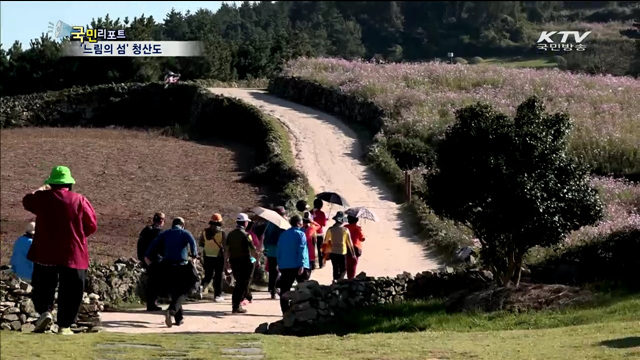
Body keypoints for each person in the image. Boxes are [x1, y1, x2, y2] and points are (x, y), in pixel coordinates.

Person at [22, 166, 98, 335]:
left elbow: (27, 200)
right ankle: (65, 326)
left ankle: (45, 311)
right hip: (73, 253)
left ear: (51, 183)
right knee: (72, 290)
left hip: (45, 252)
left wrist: (41, 188)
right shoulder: (79, 200)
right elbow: (92, 224)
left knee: (43, 284)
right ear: (69, 184)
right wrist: (79, 235)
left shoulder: (41, 198)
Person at [145, 217, 198, 328]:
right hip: (181, 266)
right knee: (183, 291)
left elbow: (154, 243)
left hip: (167, 266)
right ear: (182, 224)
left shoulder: (166, 233)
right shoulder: (184, 233)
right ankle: (171, 311)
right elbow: (192, 243)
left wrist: (147, 256)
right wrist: (194, 255)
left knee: (175, 292)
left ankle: (179, 319)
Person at [224, 213, 260, 314]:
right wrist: (257, 260)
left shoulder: (230, 234)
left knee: (239, 282)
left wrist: (226, 263)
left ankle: (240, 301)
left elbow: (226, 250)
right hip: (245, 262)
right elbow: (252, 250)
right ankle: (236, 305)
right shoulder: (247, 235)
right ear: (245, 223)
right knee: (243, 283)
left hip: (234, 261)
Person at [276, 215, 310, 313]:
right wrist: (302, 264)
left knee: (285, 289)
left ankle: (285, 311)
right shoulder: (301, 234)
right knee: (302, 289)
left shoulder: (283, 234)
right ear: (299, 223)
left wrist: (279, 263)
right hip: (297, 265)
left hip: (285, 265)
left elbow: (279, 250)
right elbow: (302, 250)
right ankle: (301, 310)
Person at [137, 212, 165, 311]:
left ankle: (151, 302)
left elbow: (140, 244)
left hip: (146, 259)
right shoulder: (158, 232)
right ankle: (152, 303)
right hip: (155, 259)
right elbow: (161, 247)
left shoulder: (146, 230)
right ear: (161, 221)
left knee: (151, 281)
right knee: (155, 282)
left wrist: (142, 258)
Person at [198, 213, 226, 302]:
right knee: (218, 276)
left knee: (208, 275)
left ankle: (201, 287)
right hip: (218, 256)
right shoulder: (222, 233)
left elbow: (201, 243)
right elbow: (225, 246)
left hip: (207, 256)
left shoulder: (204, 232)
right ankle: (217, 295)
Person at [263, 206, 287, 299]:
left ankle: (272, 289)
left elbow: (266, 238)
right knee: (278, 271)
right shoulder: (282, 225)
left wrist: (266, 248)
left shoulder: (269, 224)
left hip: (271, 251)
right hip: (279, 251)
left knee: (272, 271)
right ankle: (275, 290)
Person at [323, 211, 355, 282]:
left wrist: (325, 252)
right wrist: (353, 254)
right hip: (342, 252)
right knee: (343, 269)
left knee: (335, 268)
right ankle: (340, 281)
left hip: (333, 252)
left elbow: (325, 241)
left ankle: (335, 281)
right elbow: (350, 243)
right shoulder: (345, 230)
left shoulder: (330, 229)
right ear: (342, 221)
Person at [344, 215, 365, 279]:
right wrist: (360, 230)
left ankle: (348, 277)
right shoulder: (357, 228)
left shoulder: (345, 227)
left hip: (347, 247)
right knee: (353, 265)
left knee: (347, 263)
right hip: (356, 248)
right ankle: (351, 278)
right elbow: (362, 239)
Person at [310, 199, 328, 268]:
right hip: (319, 233)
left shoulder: (310, 212)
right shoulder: (322, 213)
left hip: (311, 233)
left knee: (312, 249)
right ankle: (321, 263)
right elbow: (324, 224)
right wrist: (325, 219)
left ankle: (313, 264)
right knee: (320, 249)